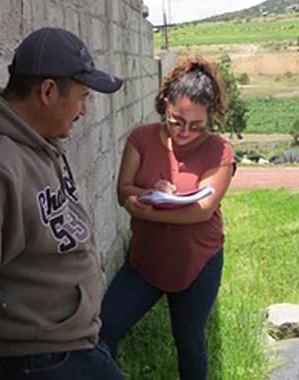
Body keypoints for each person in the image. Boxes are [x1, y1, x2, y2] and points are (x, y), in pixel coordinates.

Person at [0, 27, 124, 379]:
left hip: (67, 347)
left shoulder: (38, 143)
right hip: (34, 360)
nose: (85, 110)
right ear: (48, 91)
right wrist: (8, 339)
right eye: (82, 96)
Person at [99, 57, 235, 380]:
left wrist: (153, 211)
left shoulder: (219, 151)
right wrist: (140, 199)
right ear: (165, 104)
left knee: (189, 345)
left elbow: (202, 209)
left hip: (197, 263)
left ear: (209, 119)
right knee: (103, 331)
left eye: (197, 125)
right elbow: (123, 191)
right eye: (177, 121)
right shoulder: (141, 139)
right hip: (144, 262)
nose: (186, 132)